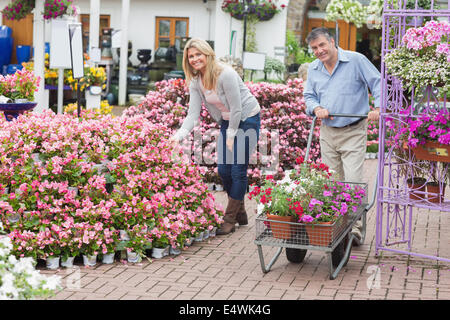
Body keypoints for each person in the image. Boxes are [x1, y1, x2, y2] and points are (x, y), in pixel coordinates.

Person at [169, 38, 261, 235]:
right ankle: (240, 211)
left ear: (207, 54)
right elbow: (193, 114)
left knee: (237, 170)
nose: (195, 59)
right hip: (229, 121)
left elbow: (236, 108)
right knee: (223, 170)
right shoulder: (196, 82)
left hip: (247, 118)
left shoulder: (225, 74)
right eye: (191, 56)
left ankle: (229, 220)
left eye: (198, 54)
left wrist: (230, 136)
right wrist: (179, 135)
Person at [303, 28, 381, 242]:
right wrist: (316, 107)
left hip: (353, 129)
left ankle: (355, 228)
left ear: (332, 41)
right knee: (332, 182)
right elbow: (309, 96)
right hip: (328, 131)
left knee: (353, 181)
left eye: (322, 45)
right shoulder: (314, 68)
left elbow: (378, 82)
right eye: (314, 48)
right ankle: (337, 225)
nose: (319, 51)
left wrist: (379, 108)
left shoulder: (356, 60)